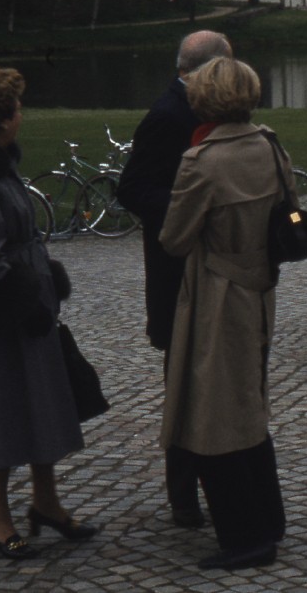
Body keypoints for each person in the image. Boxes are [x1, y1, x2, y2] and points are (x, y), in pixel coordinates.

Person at [159, 58, 288, 571]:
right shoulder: (269, 144)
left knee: (215, 417)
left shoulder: (203, 161)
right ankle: (269, 518)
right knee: (248, 404)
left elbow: (174, 238)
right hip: (260, 288)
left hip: (217, 294)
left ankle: (247, 537)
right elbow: (288, 209)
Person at [116, 30, 231, 529]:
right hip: (177, 275)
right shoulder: (167, 117)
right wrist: (191, 211)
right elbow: (134, 188)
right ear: (207, 69)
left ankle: (217, 485)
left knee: (213, 387)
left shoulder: (206, 109)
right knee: (183, 388)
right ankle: (184, 496)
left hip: (214, 275)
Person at [0, 66, 97, 561]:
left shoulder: (5, 163)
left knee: (42, 404)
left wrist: (45, 277)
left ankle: (46, 503)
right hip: (3, 314)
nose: (22, 115)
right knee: (4, 412)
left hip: (28, 300)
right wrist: (23, 297)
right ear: (4, 119)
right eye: (16, 109)